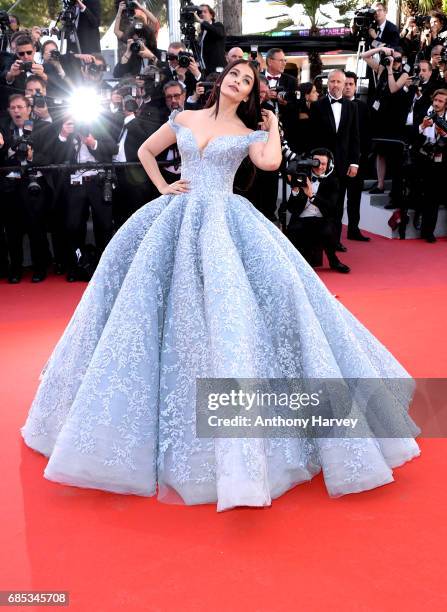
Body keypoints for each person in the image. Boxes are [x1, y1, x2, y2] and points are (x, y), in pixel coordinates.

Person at [22, 59, 420, 512]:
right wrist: (164, 187)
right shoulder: (185, 118)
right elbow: (147, 152)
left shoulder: (249, 131)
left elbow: (269, 162)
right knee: (153, 309)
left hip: (227, 224)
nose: (238, 81)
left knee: (239, 311)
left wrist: (273, 126)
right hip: (177, 216)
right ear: (221, 80)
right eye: (234, 74)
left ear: (252, 93)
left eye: (248, 81)